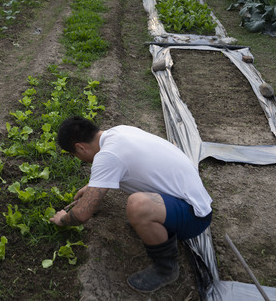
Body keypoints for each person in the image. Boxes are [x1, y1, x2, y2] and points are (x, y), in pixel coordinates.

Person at [49, 116, 212, 294]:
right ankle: (157, 225)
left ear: (80, 147)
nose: (79, 158)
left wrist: (63, 219)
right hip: (190, 199)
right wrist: (92, 187)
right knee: (139, 206)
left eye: (75, 155)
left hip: (194, 217)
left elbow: (81, 215)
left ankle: (166, 269)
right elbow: (123, 162)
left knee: (138, 206)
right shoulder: (119, 132)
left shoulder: (108, 156)